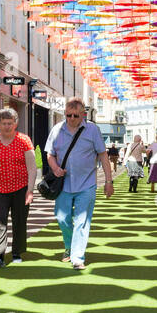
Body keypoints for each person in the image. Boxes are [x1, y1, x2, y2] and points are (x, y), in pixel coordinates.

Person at [45, 98, 112, 270]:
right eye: (68, 115)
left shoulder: (92, 131)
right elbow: (50, 154)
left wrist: (108, 181)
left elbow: (103, 155)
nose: (72, 119)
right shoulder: (57, 130)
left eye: (76, 115)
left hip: (86, 184)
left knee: (82, 221)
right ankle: (69, 245)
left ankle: (77, 257)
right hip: (64, 185)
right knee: (62, 218)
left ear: (83, 114)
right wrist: (55, 168)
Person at [0, 107, 37, 267]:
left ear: (16, 123)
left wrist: (30, 190)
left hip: (20, 188)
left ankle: (16, 252)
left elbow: (32, 167)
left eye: (10, 123)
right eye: (4, 123)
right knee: (0, 221)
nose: (7, 126)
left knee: (19, 221)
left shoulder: (24, 140)